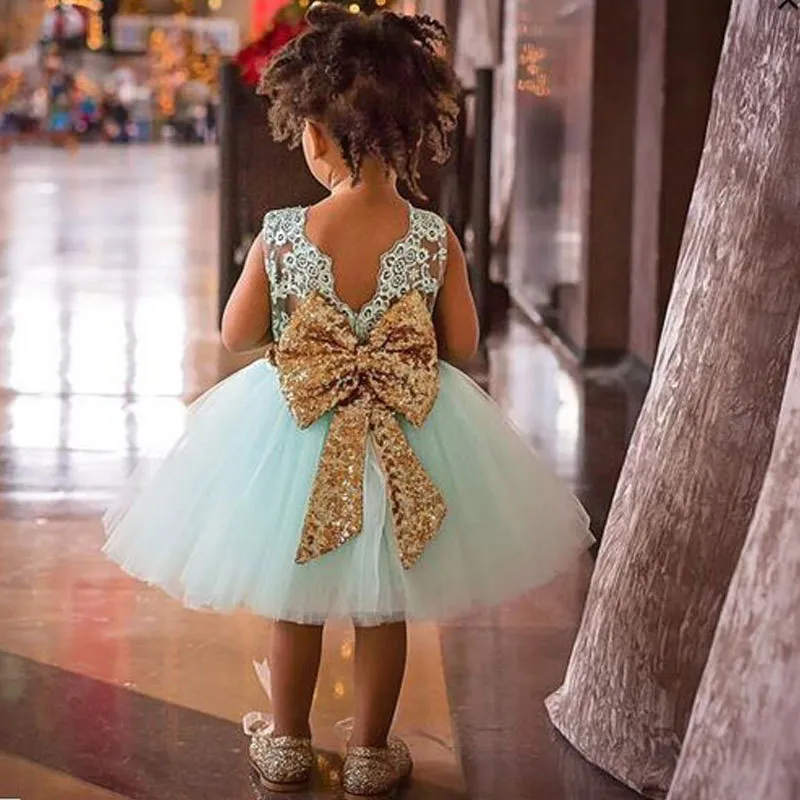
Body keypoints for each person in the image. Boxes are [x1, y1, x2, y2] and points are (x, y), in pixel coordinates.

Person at [102, 4, 594, 797]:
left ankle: (289, 743)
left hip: (295, 430)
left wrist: (305, 333)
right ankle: (370, 751)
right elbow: (462, 344)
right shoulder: (434, 237)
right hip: (406, 432)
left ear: (317, 136)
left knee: (294, 601)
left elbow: (235, 333)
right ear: (411, 135)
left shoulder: (285, 231)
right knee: (383, 604)